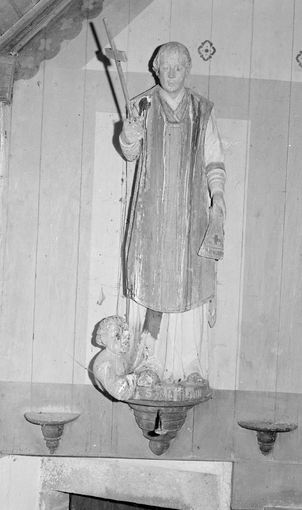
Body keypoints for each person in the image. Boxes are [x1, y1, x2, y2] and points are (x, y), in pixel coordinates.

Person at [119, 42, 226, 384]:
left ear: (187, 70)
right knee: (152, 285)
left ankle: (191, 365)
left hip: (191, 217)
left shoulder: (202, 110)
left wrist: (217, 196)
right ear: (156, 68)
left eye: (178, 68)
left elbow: (214, 158)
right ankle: (148, 363)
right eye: (165, 67)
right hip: (152, 215)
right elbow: (131, 152)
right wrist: (129, 137)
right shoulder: (142, 105)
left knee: (192, 286)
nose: (171, 74)